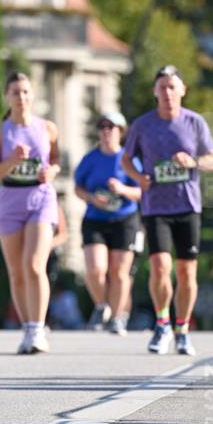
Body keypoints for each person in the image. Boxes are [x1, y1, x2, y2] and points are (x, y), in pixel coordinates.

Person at [121, 65, 213, 355]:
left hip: (187, 206)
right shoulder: (143, 125)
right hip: (156, 207)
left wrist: (194, 162)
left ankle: (183, 328)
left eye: (172, 87)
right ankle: (162, 323)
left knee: (187, 272)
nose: (167, 92)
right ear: (155, 92)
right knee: (160, 266)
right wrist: (138, 178)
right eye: (162, 87)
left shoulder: (195, 122)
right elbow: (126, 159)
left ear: (182, 90)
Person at [0, 72, 60, 354]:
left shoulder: (47, 127)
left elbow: (56, 159)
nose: (21, 97)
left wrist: (52, 171)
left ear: (33, 95)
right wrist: (12, 161)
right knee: (17, 273)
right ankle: (27, 328)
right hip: (10, 203)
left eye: (26, 91)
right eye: (15, 92)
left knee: (35, 265)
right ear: (7, 96)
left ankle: (38, 329)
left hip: (41, 199)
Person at [74, 111, 142, 336]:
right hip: (95, 219)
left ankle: (116, 318)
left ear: (120, 131)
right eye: (102, 127)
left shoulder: (129, 159)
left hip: (125, 219)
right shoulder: (90, 159)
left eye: (111, 127)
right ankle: (101, 306)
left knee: (119, 272)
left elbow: (142, 191)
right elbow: (78, 188)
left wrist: (122, 189)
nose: (106, 131)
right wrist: (91, 198)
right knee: (95, 269)